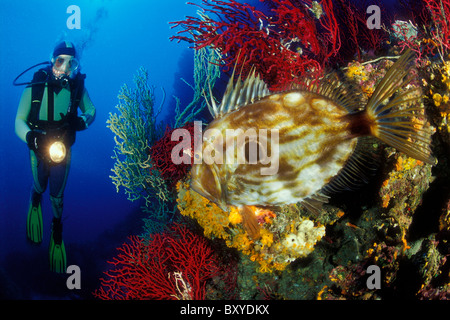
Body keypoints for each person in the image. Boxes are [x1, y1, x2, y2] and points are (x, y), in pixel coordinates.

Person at [15, 41, 96, 273]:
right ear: (52, 61)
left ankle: (57, 228)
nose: (65, 67)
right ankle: (35, 201)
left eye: (72, 62)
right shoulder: (37, 83)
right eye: (60, 61)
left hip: (62, 149)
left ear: (77, 66)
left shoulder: (78, 88)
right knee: (40, 185)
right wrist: (33, 139)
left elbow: (91, 110)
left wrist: (82, 121)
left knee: (58, 196)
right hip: (39, 147)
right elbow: (18, 121)